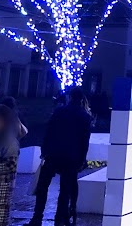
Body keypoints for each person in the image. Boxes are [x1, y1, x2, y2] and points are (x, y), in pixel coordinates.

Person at [26, 88, 92, 226]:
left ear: (69, 97)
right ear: (81, 99)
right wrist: (81, 159)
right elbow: (84, 141)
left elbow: (48, 131)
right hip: (71, 157)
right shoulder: (85, 117)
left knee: (43, 186)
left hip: (53, 153)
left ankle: (37, 217)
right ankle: (60, 218)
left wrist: (44, 150)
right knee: (65, 190)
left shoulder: (59, 111)